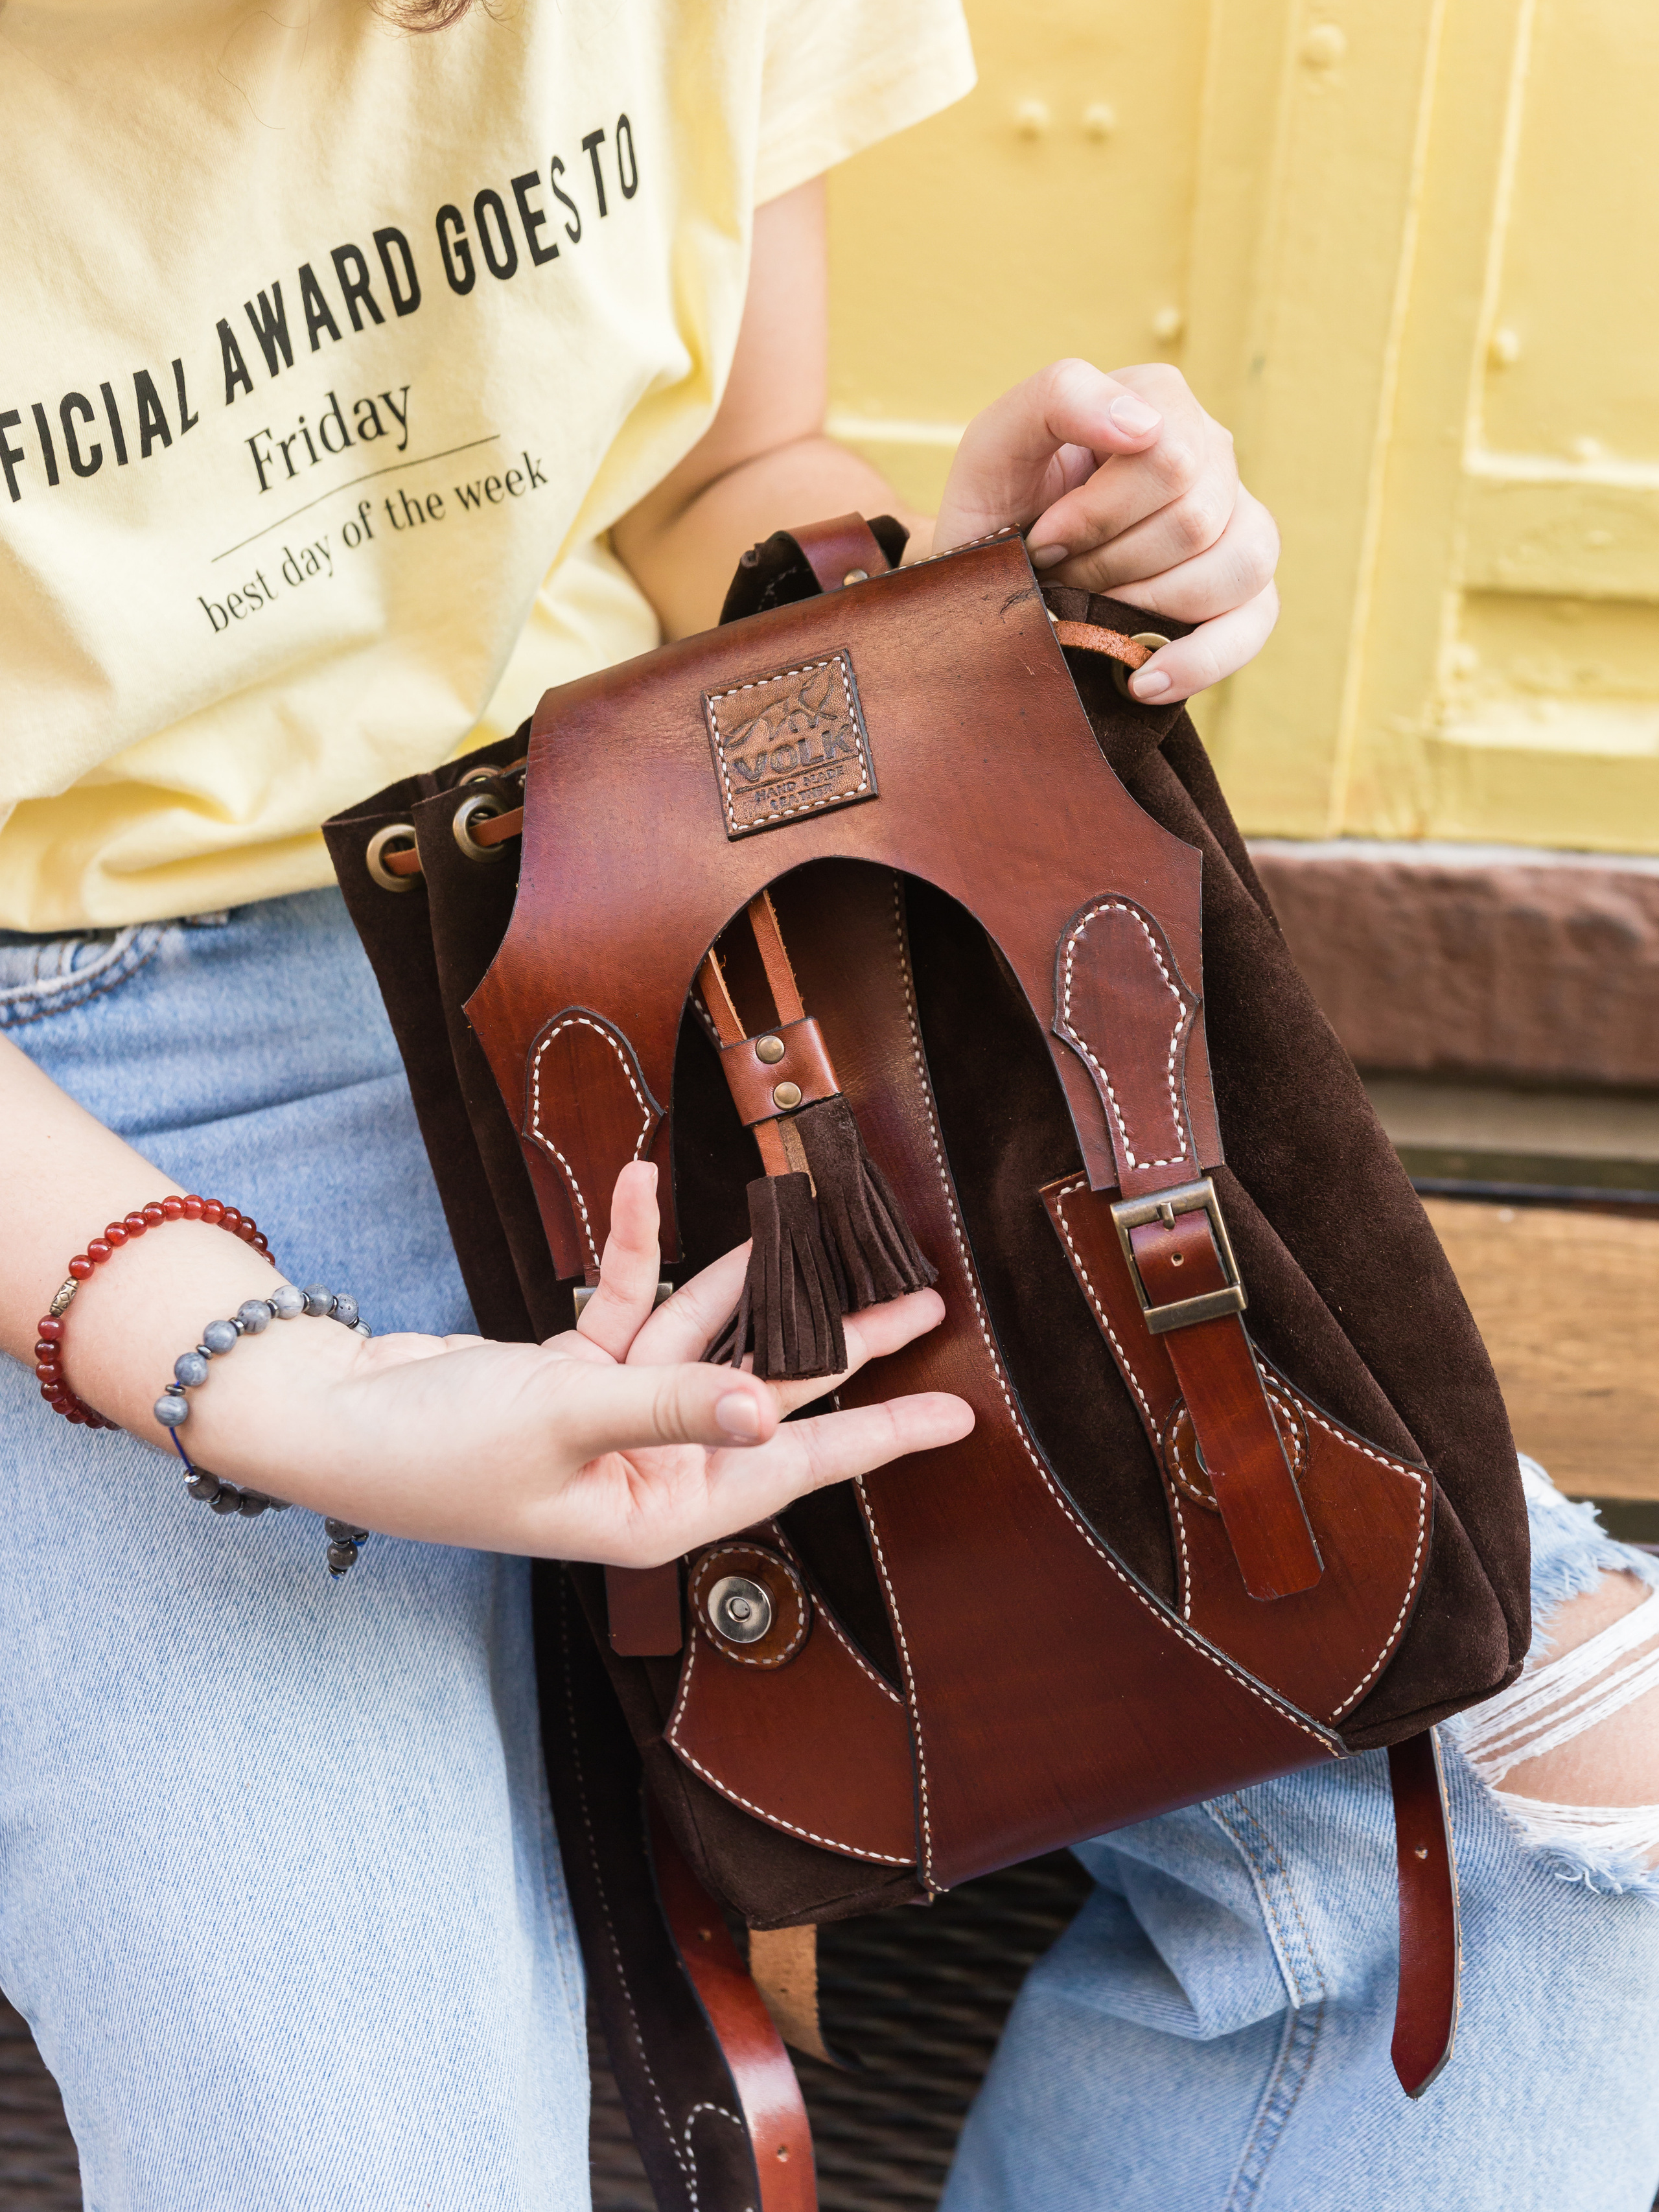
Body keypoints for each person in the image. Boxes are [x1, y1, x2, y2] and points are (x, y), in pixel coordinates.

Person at [0, 1, 1284, 2204]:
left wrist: (921, 626)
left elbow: (714, 462)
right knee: (342, 2157)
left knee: (1576, 1815)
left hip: (635, 903)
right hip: (78, 1060)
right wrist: (270, 1381)